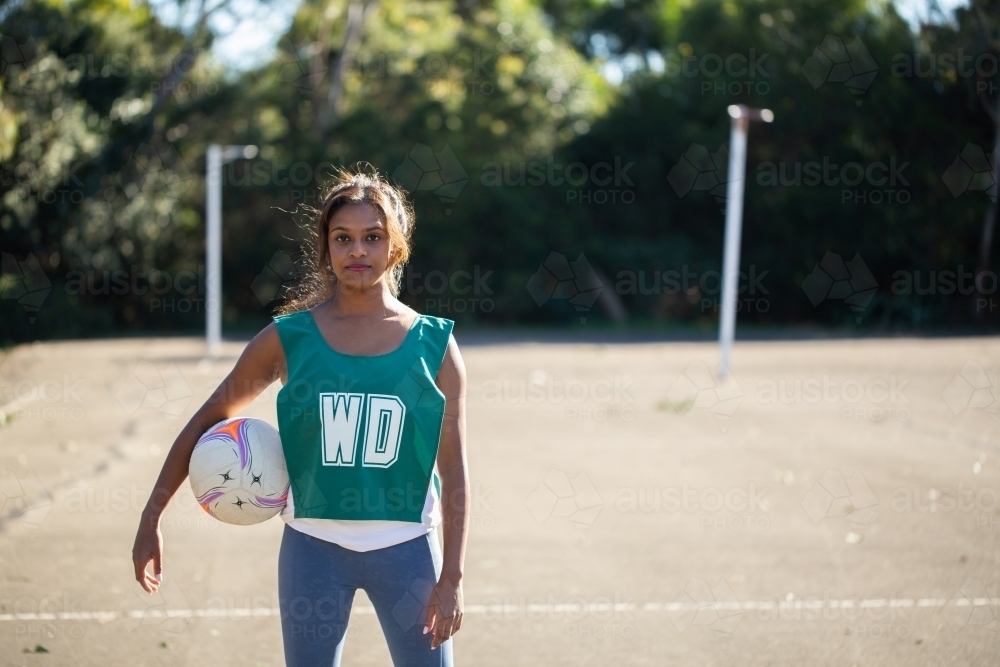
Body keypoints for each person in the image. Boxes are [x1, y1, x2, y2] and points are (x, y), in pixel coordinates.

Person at [131, 167, 469, 667]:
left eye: (372, 238)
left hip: (408, 551)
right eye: (343, 238)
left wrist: (453, 577)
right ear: (325, 249)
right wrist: (150, 515)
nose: (357, 250)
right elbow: (208, 418)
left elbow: (455, 470)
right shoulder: (288, 340)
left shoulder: (435, 347)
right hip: (314, 550)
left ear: (395, 246)